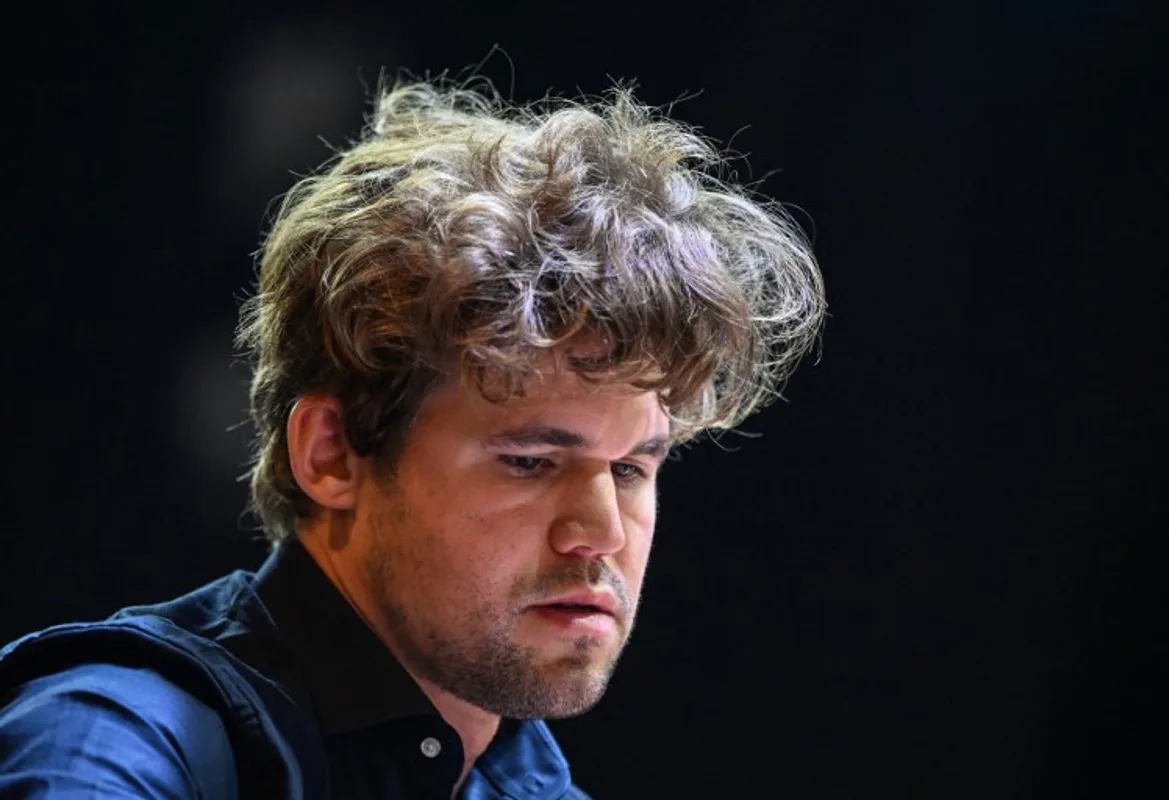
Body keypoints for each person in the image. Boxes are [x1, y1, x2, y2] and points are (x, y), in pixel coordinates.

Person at [0, 80, 825, 798]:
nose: (603, 532)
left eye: (634, 468)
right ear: (330, 453)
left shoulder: (530, 784)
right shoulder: (118, 737)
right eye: (532, 462)